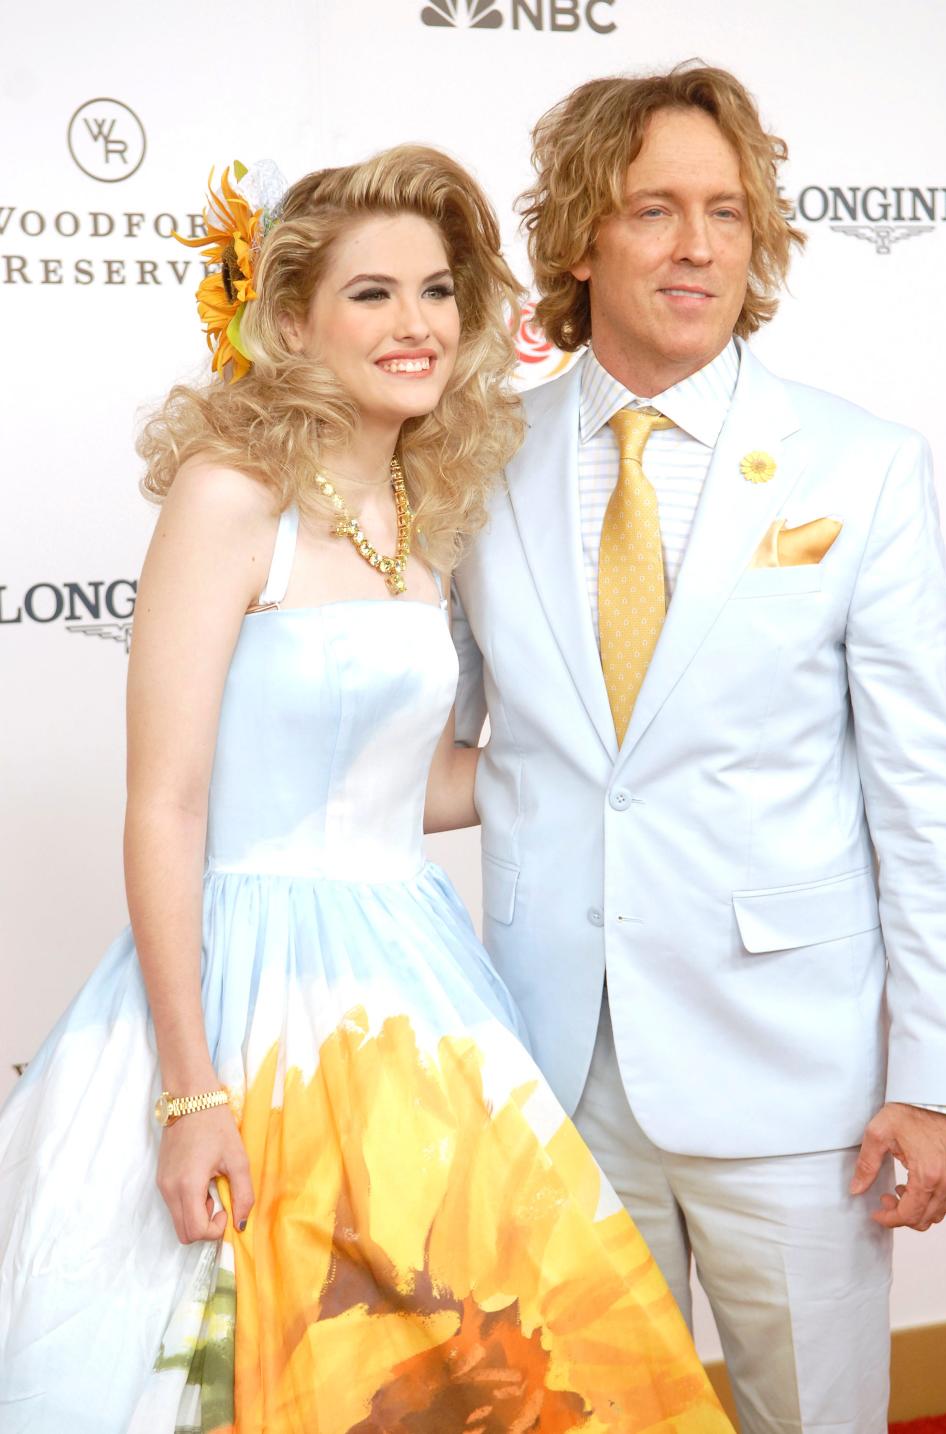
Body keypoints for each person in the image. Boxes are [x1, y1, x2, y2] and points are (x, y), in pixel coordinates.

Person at [0, 146, 732, 1432]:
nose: (417, 326)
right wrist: (190, 1090)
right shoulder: (233, 499)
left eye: (438, 292)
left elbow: (415, 788)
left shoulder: (422, 506)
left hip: (413, 980)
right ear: (291, 320)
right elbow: (166, 806)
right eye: (373, 295)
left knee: (495, 1360)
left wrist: (624, 762)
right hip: (241, 992)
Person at [451, 65, 946, 1433]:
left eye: (726, 213)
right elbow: (432, 738)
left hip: (797, 1082)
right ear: (579, 236)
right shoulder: (476, 460)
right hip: (555, 1064)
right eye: (655, 209)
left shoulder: (863, 465)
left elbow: (928, 804)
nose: (696, 247)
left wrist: (938, 1077)